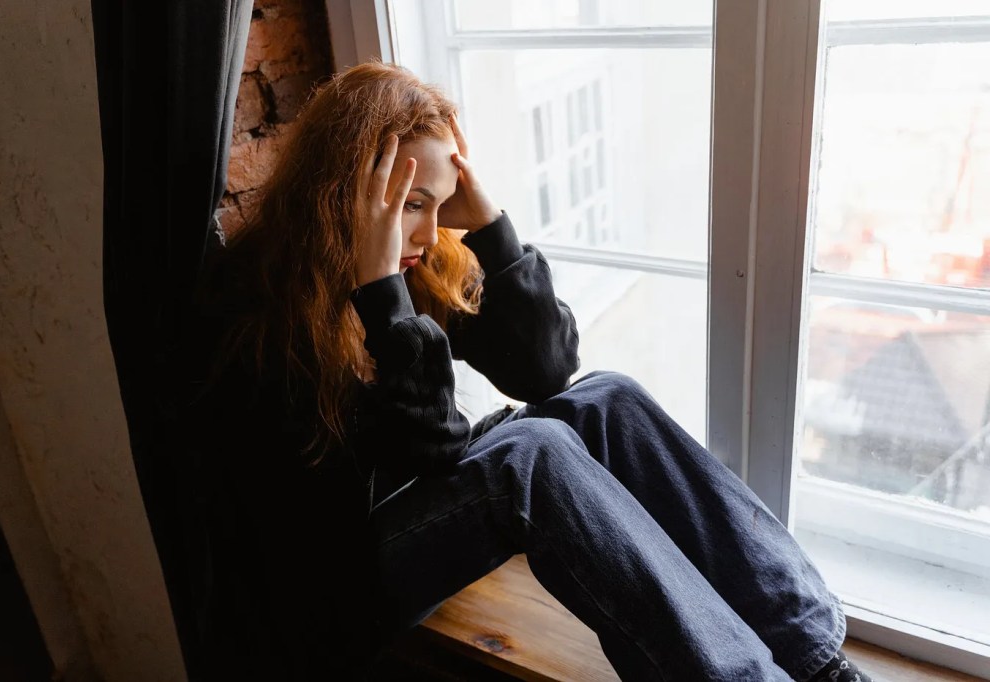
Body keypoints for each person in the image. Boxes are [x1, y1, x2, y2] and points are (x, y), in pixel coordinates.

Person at [181, 61, 872, 681]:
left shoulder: (418, 263)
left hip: (402, 512)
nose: (426, 232)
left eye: (440, 201)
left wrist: (487, 222)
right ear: (345, 194)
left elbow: (546, 370)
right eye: (410, 205)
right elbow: (430, 449)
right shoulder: (256, 307)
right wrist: (380, 295)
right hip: (331, 588)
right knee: (529, 455)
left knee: (607, 399)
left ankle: (816, 662)